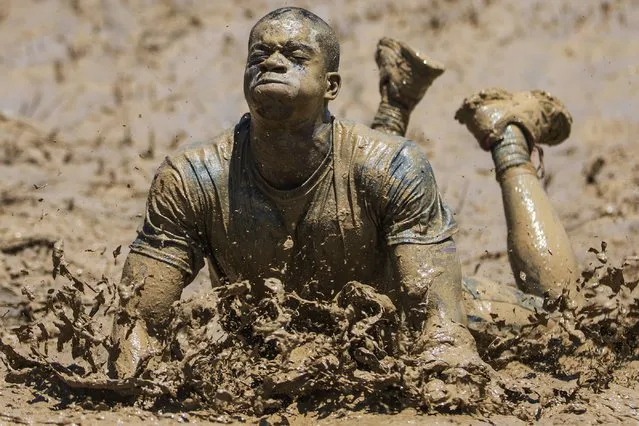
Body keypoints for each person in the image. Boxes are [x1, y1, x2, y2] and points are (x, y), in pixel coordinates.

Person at [111, 7, 471, 377]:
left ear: (332, 86)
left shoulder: (397, 165)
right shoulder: (191, 178)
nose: (273, 63)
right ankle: (394, 102)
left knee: (531, 308)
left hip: (378, 329)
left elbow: (441, 327)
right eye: (259, 56)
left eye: (296, 56)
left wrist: (444, 372)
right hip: (260, 344)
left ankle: (511, 142)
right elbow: (137, 322)